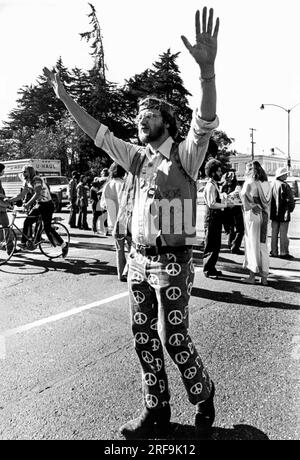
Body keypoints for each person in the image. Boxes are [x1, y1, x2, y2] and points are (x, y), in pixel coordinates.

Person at [44, 6, 219, 438]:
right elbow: (98, 133)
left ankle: (202, 393)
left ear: (167, 122)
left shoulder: (185, 155)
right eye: (139, 112)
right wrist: (66, 100)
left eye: (151, 112)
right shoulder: (135, 157)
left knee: (171, 335)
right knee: (143, 336)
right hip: (139, 261)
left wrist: (207, 74)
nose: (142, 116)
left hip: (173, 261)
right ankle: (155, 410)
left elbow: (205, 121)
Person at [11, 165, 69, 258]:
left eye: (25, 172)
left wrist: (28, 204)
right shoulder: (27, 182)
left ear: (30, 172)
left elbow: (37, 193)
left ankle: (64, 245)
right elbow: (21, 195)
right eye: (22, 172)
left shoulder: (36, 179)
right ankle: (25, 243)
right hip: (39, 205)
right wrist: (10, 200)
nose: (23, 174)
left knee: (47, 228)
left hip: (47, 205)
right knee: (27, 221)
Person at [240, 161, 271, 285]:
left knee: (252, 244)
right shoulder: (267, 183)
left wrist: (250, 204)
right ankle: (264, 278)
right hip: (265, 215)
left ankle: (252, 276)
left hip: (253, 214)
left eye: (247, 168)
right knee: (263, 245)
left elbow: (243, 197)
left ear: (250, 170)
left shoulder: (249, 182)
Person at [202, 160, 234, 278]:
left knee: (216, 244)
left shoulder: (215, 184)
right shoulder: (210, 185)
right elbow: (211, 204)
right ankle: (208, 270)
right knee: (211, 243)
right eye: (219, 171)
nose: (221, 173)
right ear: (213, 172)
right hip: (211, 217)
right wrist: (226, 205)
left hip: (215, 218)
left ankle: (212, 267)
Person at [101, 162, 130, 281]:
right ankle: (129, 271)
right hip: (126, 221)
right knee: (133, 249)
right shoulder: (125, 184)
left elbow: (103, 205)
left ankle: (121, 274)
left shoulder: (108, 185)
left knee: (119, 249)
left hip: (114, 223)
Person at [270, 167, 295, 259]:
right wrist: (291, 209)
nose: (287, 175)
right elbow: (290, 200)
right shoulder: (285, 185)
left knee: (274, 233)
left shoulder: (272, 184)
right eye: (286, 174)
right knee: (283, 234)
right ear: (282, 175)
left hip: (273, 213)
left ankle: (274, 251)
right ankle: (283, 252)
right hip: (284, 212)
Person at [220, 170, 244, 255]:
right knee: (240, 229)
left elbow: (222, 198)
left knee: (231, 229)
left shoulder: (223, 186)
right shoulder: (237, 187)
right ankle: (235, 247)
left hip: (227, 210)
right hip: (236, 210)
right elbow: (240, 198)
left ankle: (231, 245)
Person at [0, 163, 14, 255]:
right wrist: (7, 202)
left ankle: (8, 247)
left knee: (5, 228)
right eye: (3, 170)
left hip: (1, 207)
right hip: (1, 209)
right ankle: (10, 248)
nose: (3, 172)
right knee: (7, 228)